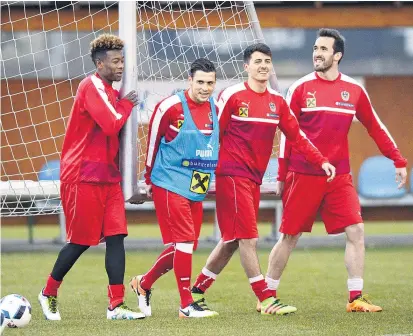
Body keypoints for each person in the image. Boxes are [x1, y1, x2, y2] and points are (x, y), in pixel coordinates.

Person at [264, 28, 408, 313]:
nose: (317, 53)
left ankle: (355, 297)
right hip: (302, 174)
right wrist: (281, 176)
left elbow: (375, 127)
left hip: (339, 176)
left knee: (356, 230)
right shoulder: (300, 88)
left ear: (337, 55)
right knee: (290, 237)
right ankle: (267, 294)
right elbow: (287, 135)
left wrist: (398, 160)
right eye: (315, 48)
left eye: (323, 49)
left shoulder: (354, 90)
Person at [190, 43, 336, 316]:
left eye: (267, 61)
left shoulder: (277, 102)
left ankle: (196, 291)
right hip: (231, 175)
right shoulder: (231, 95)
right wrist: (201, 173)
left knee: (231, 240)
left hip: (253, 179)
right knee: (248, 238)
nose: (263, 66)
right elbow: (211, 136)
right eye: (258, 61)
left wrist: (321, 160)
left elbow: (297, 137)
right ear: (246, 66)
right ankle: (266, 298)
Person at [38, 34, 145, 320]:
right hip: (82, 175)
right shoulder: (91, 86)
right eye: (115, 61)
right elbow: (111, 125)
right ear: (100, 64)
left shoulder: (111, 90)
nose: (121, 66)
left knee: (116, 237)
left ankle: (116, 305)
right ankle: (48, 292)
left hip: (108, 178)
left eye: (122, 60)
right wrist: (127, 104)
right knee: (81, 241)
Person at [129, 58, 220, 318]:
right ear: (189, 80)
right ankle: (186, 304)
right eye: (200, 82)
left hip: (197, 184)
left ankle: (143, 284)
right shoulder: (169, 106)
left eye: (210, 83)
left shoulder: (215, 107)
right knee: (182, 243)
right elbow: (152, 141)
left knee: (185, 247)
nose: (205, 87)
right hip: (169, 181)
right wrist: (148, 178)